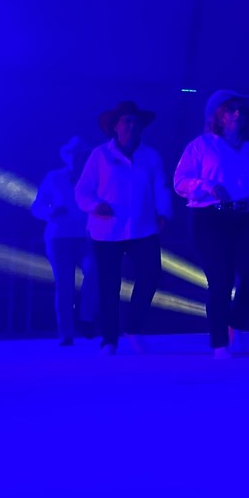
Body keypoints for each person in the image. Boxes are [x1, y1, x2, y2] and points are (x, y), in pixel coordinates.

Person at [173, 91, 249, 359]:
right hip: (211, 217)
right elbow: (180, 181)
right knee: (221, 278)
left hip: (246, 215)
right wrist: (206, 186)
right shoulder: (201, 146)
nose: (236, 114)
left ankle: (235, 323)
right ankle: (219, 341)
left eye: (240, 109)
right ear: (216, 115)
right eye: (230, 109)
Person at [75, 101, 172, 355]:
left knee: (151, 274)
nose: (130, 126)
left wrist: (164, 212)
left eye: (134, 122)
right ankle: (109, 339)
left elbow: (161, 187)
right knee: (109, 284)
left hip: (143, 226)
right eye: (125, 121)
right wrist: (95, 205)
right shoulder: (100, 155)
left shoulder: (151, 156)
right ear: (115, 126)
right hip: (107, 229)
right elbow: (83, 190)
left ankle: (133, 328)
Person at [30, 136, 98, 345]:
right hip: (59, 236)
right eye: (73, 155)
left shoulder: (95, 178)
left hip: (88, 235)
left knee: (94, 272)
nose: (76, 158)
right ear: (66, 156)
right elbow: (37, 206)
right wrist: (50, 212)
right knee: (64, 284)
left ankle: (86, 317)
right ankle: (66, 333)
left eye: (80, 155)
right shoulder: (53, 177)